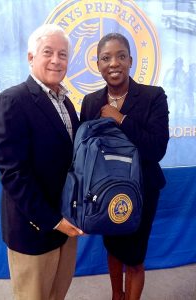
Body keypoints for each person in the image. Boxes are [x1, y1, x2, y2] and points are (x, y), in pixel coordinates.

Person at [0, 23, 83, 300]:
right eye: (48, 52)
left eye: (62, 54)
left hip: (66, 225)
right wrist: (53, 220)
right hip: (35, 229)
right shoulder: (12, 101)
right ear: (31, 57)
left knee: (56, 295)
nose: (56, 60)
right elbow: (14, 174)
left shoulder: (66, 103)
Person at [80, 33, 169, 300]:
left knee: (135, 254)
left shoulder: (153, 96)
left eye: (120, 56)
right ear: (98, 65)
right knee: (114, 247)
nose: (114, 63)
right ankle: (116, 296)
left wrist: (120, 118)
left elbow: (156, 149)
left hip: (142, 189)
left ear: (130, 60)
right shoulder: (91, 102)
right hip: (105, 191)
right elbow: (84, 151)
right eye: (106, 58)